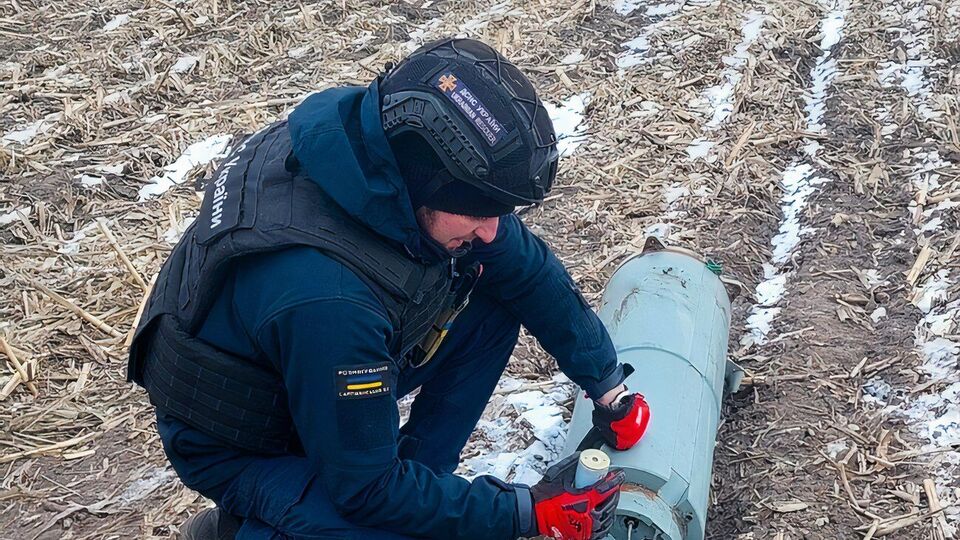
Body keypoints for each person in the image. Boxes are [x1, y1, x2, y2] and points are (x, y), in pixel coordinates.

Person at [128, 37, 650, 540]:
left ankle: (420, 485)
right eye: (478, 211)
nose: (492, 230)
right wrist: (524, 512)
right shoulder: (329, 299)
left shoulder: (378, 154)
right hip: (245, 440)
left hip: (301, 372)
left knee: (494, 303)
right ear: (426, 179)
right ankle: (246, 527)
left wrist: (607, 386)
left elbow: (526, 270)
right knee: (388, 515)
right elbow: (366, 488)